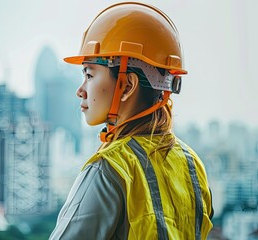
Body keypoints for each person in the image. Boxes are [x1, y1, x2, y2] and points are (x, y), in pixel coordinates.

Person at [49, 2, 214, 240]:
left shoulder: (109, 169)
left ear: (126, 86)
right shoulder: (192, 165)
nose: (81, 90)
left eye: (89, 74)